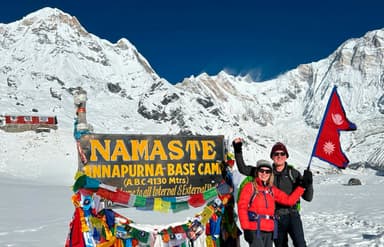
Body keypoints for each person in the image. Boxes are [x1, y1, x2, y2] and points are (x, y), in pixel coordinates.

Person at [233, 138, 314, 247]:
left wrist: (307, 184)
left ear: (286, 156)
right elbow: (243, 169)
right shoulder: (265, 171)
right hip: (276, 218)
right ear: (272, 156)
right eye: (276, 154)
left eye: (282, 153)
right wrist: (238, 149)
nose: (279, 156)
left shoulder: (293, 173)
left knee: (300, 244)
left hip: (292, 215)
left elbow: (305, 198)